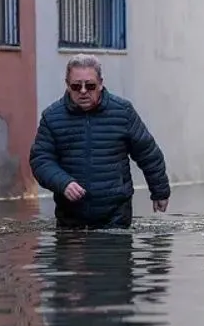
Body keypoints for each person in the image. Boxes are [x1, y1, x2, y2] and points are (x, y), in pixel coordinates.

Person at [29, 54, 170, 229]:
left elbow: (148, 154)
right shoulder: (52, 117)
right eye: (75, 86)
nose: (82, 91)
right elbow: (41, 160)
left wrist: (160, 192)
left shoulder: (123, 112)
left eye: (90, 86)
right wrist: (63, 183)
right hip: (71, 217)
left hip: (115, 215)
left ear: (101, 83)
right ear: (67, 85)